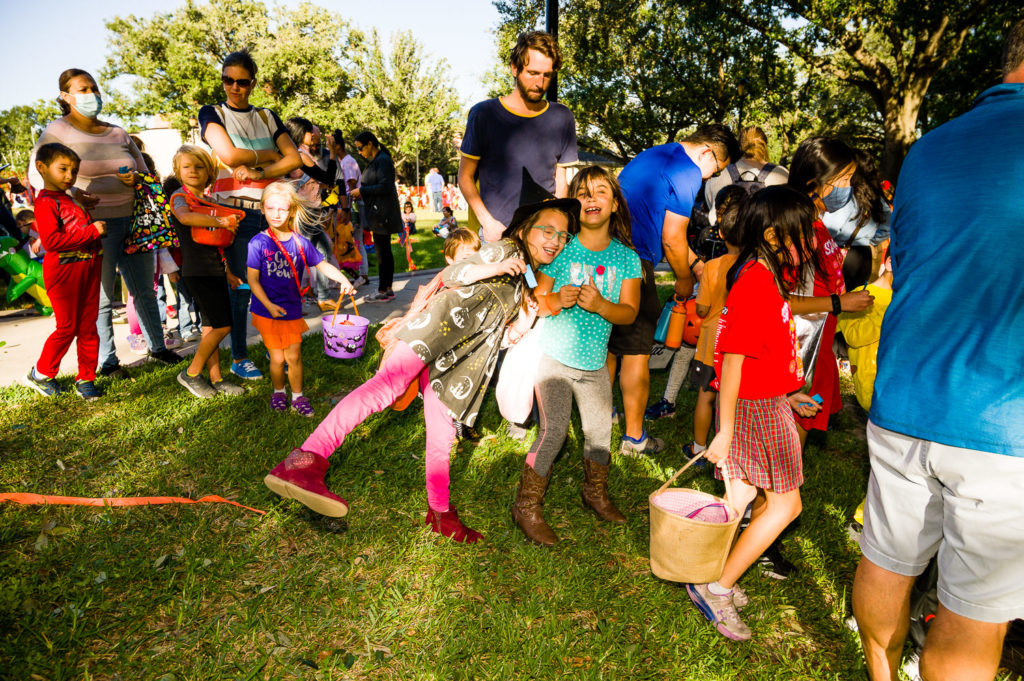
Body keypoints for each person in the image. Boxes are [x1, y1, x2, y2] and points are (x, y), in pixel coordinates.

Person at [263, 175, 580, 543]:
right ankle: (305, 461)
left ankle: (441, 512)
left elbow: (499, 327)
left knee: (443, 432)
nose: (556, 241)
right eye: (548, 231)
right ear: (525, 229)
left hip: (460, 361)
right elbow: (455, 272)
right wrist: (491, 268)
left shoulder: (523, 275)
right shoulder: (505, 251)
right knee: (384, 388)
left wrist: (520, 323)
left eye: (563, 236)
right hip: (436, 331)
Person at [852, 21, 1024, 681]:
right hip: (999, 419)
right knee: (972, 612)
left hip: (903, 397)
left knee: (887, 561)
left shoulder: (928, 148)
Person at [686, 186, 823, 641]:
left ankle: (710, 572)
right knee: (786, 505)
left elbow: (764, 355)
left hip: (765, 403)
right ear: (772, 233)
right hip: (754, 411)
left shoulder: (766, 276)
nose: (813, 243)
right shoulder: (756, 282)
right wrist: (724, 431)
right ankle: (718, 587)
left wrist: (787, 395)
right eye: (805, 234)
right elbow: (732, 361)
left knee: (741, 497)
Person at [513, 166, 642, 546]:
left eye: (600, 192)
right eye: (582, 193)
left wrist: (603, 305)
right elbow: (539, 298)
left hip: (594, 365)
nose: (590, 199)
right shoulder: (563, 247)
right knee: (552, 432)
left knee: (600, 433)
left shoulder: (626, 259)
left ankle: (595, 492)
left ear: (615, 204)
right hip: (554, 359)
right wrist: (556, 299)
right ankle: (527, 505)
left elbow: (630, 312)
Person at [28, 68, 182, 378]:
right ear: (65, 97)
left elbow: (146, 172)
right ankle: (107, 362)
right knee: (100, 297)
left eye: (94, 88)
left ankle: (158, 348)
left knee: (144, 290)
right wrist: (74, 194)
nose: (92, 95)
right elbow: (38, 176)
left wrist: (134, 177)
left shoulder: (118, 132)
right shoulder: (56, 133)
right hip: (91, 229)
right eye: (83, 90)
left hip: (133, 222)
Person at [610, 124, 738, 455]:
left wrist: (695, 264)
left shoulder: (657, 153)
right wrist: (684, 277)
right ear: (707, 152)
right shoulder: (687, 170)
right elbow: (672, 238)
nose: (709, 179)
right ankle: (634, 438)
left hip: (608, 254)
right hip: (633, 262)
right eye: (715, 170)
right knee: (637, 352)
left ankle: (605, 413)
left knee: (609, 344)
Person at [198, 49, 302, 381]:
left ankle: (280, 348)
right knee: (241, 288)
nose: (234, 87)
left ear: (252, 83)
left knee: (275, 284)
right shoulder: (211, 113)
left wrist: (257, 170)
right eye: (228, 80)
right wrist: (270, 154)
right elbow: (228, 154)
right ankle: (239, 356)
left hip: (271, 213)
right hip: (236, 216)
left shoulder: (268, 115)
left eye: (242, 82)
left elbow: (294, 159)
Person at [785, 138, 875, 448]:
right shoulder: (796, 229)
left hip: (819, 340)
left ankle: (783, 481)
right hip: (799, 345)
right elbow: (778, 300)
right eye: (844, 180)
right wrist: (840, 301)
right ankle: (778, 486)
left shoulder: (817, 223)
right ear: (815, 182)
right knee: (795, 415)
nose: (848, 188)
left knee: (811, 408)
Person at [245, 182, 356, 416]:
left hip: (291, 309)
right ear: (263, 209)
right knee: (277, 358)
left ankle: (298, 396)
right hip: (266, 310)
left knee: (293, 356)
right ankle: (278, 392)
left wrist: (343, 280)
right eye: (271, 208)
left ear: (292, 211)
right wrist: (269, 305)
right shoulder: (257, 243)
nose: (276, 213)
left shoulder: (300, 242)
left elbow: (322, 264)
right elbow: (253, 281)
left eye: (282, 209)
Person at [459, 30, 578, 242]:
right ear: (514, 68)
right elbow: (465, 177)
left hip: (545, 237)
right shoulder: (483, 114)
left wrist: (558, 230)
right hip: (497, 235)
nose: (540, 82)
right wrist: (487, 222)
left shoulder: (563, 117)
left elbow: (561, 183)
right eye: (532, 73)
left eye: (547, 75)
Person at [23, 143, 106, 399]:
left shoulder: (67, 197)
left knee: (88, 326)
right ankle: (41, 373)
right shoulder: (46, 201)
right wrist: (93, 231)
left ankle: (86, 378)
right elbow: (51, 242)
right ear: (42, 168)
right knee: (68, 326)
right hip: (64, 272)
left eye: (74, 170)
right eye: (63, 169)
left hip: (89, 267)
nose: (69, 175)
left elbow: (72, 228)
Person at [166, 145, 244, 399]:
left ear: (209, 171)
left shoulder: (209, 201)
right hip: (196, 270)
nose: (193, 171)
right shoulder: (180, 197)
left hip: (214, 269)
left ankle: (216, 378)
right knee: (224, 326)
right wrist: (221, 221)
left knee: (212, 328)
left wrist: (228, 271)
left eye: (199, 166)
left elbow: (218, 244)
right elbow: (186, 218)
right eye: (187, 166)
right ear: (178, 171)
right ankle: (191, 373)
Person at [684, 186, 748, 461]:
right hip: (739, 344)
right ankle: (735, 448)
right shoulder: (755, 265)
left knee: (705, 396)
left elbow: (702, 307)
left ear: (721, 233)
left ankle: (698, 448)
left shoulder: (711, 267)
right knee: (735, 399)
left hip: (712, 342)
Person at [284, 116, 341, 311]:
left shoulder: (295, 153)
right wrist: (332, 152)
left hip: (309, 211)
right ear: (302, 133)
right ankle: (292, 301)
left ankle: (322, 297)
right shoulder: (299, 155)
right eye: (310, 131)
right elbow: (329, 177)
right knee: (300, 256)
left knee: (323, 250)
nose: (314, 135)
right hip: (304, 212)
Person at [349, 131, 401, 302]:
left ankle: (384, 290)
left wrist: (361, 191)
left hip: (383, 213)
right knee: (384, 251)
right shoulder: (377, 160)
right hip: (379, 212)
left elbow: (385, 186)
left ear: (370, 143)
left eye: (360, 147)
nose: (359, 151)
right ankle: (387, 289)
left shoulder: (383, 160)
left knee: (382, 252)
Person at [703, 126, 789, 222]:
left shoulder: (719, 172)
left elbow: (711, 204)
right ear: (765, 145)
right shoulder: (782, 174)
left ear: (739, 145)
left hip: (725, 233)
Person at [330, 131, 369, 289]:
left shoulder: (348, 162)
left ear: (337, 146)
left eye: (331, 145)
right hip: (344, 206)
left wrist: (347, 209)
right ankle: (355, 274)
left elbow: (351, 185)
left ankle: (363, 274)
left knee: (356, 240)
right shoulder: (342, 161)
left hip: (352, 206)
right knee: (346, 241)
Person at [400, 200, 418, 271]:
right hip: (404, 227)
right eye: (406, 207)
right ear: (404, 208)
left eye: (409, 207)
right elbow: (401, 219)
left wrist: (409, 219)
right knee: (402, 224)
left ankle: (404, 233)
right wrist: (404, 220)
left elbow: (413, 220)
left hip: (410, 228)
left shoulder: (412, 214)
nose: (408, 208)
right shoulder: (402, 213)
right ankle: (402, 234)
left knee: (409, 224)